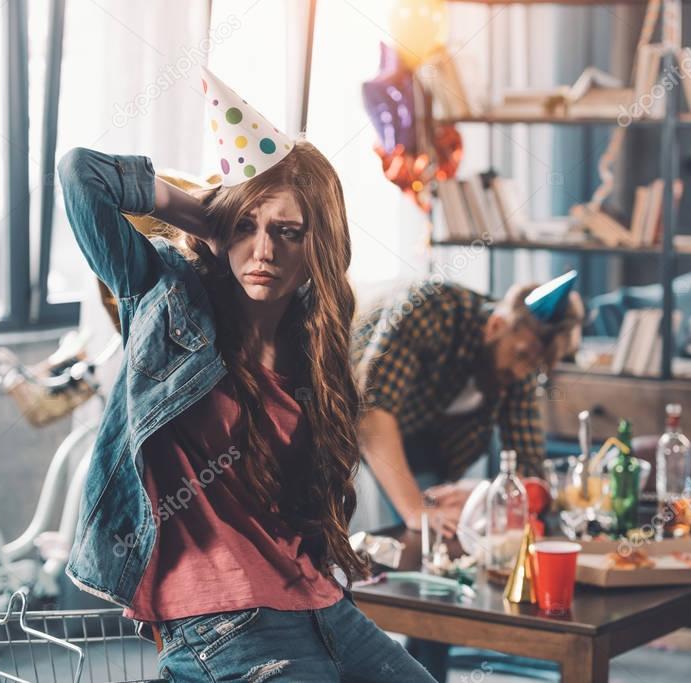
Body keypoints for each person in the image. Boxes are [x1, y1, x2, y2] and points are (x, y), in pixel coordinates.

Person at [57, 67, 435, 682]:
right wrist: (203, 212)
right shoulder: (166, 301)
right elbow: (81, 174)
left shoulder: (313, 346)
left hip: (320, 606)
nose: (263, 252)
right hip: (220, 620)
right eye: (247, 228)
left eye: (287, 233)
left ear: (318, 245)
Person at [352, 273, 583, 681]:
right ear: (496, 327)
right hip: (356, 429)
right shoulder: (430, 309)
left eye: (536, 365)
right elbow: (371, 411)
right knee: (387, 564)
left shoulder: (518, 364)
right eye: (524, 358)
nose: (526, 372)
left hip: (431, 449)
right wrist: (415, 509)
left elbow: (529, 470)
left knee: (439, 568)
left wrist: (481, 493)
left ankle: (429, 671)